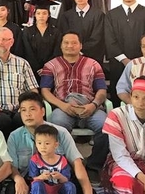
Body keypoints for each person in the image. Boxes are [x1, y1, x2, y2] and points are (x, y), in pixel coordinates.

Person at [6, 91, 96, 194]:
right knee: (11, 193)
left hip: (60, 183)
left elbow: (77, 162)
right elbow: (11, 166)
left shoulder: (60, 132)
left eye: (32, 109)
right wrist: (18, 179)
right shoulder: (15, 136)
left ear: (42, 111)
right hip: (33, 183)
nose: (28, 114)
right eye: (23, 110)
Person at [40, 32, 108, 178]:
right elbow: (45, 91)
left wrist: (94, 105)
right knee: (57, 124)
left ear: (80, 45)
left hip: (90, 107)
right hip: (63, 107)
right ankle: (66, 165)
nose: (70, 46)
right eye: (66, 43)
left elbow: (102, 90)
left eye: (74, 43)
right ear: (61, 45)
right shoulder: (51, 65)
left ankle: (94, 167)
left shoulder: (93, 64)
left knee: (106, 126)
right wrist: (62, 105)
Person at [29, 124, 77, 194]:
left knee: (70, 186)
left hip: (58, 192)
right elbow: (32, 179)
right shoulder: (35, 160)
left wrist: (60, 177)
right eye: (39, 143)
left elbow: (66, 179)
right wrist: (41, 177)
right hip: (44, 193)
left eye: (47, 143)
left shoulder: (62, 160)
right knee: (36, 184)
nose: (42, 147)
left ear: (56, 145)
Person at [58, 0, 105, 64]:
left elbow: (97, 38)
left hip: (93, 58)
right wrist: (74, 51)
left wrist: (80, 51)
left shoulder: (99, 15)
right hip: (71, 57)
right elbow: (64, 37)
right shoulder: (66, 16)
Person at [22, 0, 61, 78]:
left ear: (49, 15)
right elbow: (28, 51)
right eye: (38, 13)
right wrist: (37, 68)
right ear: (34, 14)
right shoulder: (27, 32)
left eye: (44, 13)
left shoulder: (56, 32)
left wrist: (46, 68)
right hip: (32, 71)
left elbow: (57, 51)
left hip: (51, 70)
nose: (41, 16)